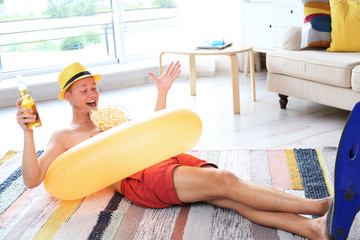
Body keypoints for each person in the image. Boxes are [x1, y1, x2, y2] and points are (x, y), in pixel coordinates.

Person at [17, 62, 331, 240]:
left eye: (94, 87)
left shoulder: (110, 116)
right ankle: (316, 207)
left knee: (227, 191)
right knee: (224, 181)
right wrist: (28, 133)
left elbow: (149, 134)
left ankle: (313, 228)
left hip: (160, 158)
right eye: (83, 89)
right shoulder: (64, 136)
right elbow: (33, 180)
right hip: (138, 179)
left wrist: (161, 93)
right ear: (68, 97)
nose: (92, 93)